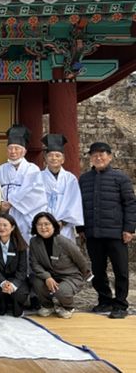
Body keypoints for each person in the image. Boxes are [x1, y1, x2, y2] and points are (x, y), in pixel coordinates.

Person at [78, 142, 136, 319]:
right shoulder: (84, 179)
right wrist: (81, 228)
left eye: (102, 154)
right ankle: (104, 300)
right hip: (93, 233)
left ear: (110, 157)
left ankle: (120, 304)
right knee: (97, 270)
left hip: (116, 233)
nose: (98, 157)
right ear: (90, 158)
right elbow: (79, 205)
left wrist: (129, 229)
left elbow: (130, 204)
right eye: (94, 155)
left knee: (121, 270)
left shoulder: (121, 178)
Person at [30, 212, 92, 319]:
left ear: (54, 225)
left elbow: (80, 259)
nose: (43, 227)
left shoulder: (63, 242)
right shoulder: (34, 242)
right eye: (39, 224)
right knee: (36, 281)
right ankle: (47, 306)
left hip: (69, 276)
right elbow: (35, 264)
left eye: (46, 224)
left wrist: (86, 275)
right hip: (50, 275)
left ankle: (68, 307)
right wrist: (47, 277)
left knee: (62, 291)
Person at [0, 124, 47, 243]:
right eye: (10, 148)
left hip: (26, 215)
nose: (13, 152)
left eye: (17, 148)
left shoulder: (32, 169)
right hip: (6, 215)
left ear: (24, 151)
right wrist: (1, 203)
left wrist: (12, 202)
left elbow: (34, 192)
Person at [0, 214, 29, 317]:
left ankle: (16, 304)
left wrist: (13, 285)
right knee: (1, 310)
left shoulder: (20, 244)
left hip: (16, 279)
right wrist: (3, 283)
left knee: (17, 305)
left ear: (12, 227)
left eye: (5, 225)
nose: (2, 228)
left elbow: (22, 270)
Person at [40, 134, 84, 240]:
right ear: (45, 158)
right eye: (50, 155)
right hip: (43, 226)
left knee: (64, 249)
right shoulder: (38, 177)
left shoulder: (70, 179)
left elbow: (74, 203)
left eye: (57, 155)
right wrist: (44, 221)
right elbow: (34, 202)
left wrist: (62, 222)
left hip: (64, 227)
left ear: (63, 159)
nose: (54, 158)